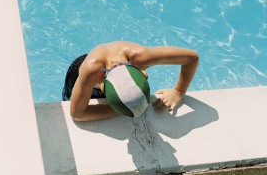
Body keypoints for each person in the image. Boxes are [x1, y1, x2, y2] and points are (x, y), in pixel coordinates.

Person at [62, 41, 199, 121]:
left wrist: (178, 91)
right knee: (71, 100)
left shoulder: (141, 57)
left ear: (142, 73)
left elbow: (192, 58)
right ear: (102, 87)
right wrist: (118, 109)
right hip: (79, 72)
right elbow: (77, 114)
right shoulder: (91, 71)